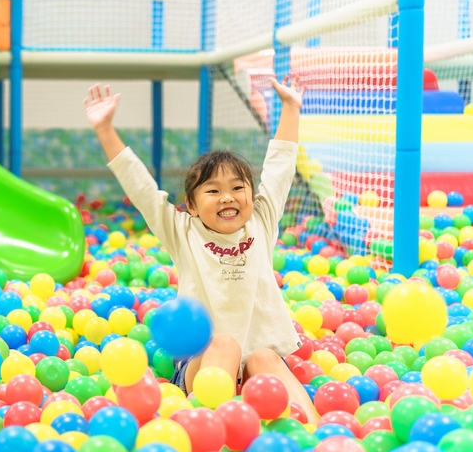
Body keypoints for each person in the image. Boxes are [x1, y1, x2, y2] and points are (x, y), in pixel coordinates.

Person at [84, 77, 319, 424]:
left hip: (254, 366)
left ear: (251, 198)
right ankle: (203, 428)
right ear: (191, 206)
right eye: (213, 191)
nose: (227, 196)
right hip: (204, 366)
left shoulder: (262, 223)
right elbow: (142, 190)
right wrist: (105, 129)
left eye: (238, 188)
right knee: (223, 343)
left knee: (266, 357)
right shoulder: (182, 232)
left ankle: (314, 436)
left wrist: (291, 107)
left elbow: (281, 167)